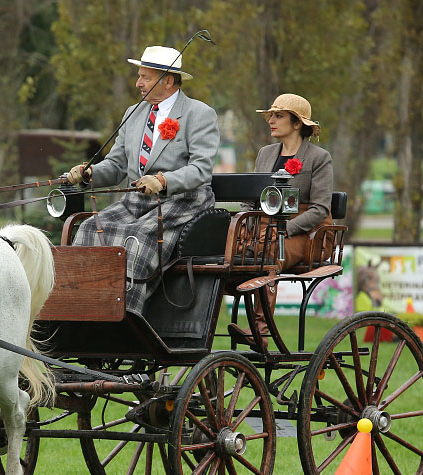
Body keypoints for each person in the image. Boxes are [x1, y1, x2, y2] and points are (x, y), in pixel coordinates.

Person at [66, 45, 219, 315]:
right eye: (139, 76)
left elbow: (201, 169)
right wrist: (90, 173)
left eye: (145, 77)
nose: (138, 83)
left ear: (168, 80)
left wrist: (162, 180)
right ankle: (82, 308)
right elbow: (115, 166)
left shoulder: (199, 114)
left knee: (137, 236)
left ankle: (126, 314)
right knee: (89, 227)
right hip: (137, 200)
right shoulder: (132, 114)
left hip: (183, 199)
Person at [232, 93, 333, 348]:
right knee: (231, 251)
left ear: (297, 123)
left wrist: (285, 229)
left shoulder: (319, 157)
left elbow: (320, 208)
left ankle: (261, 332)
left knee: (269, 252)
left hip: (306, 233)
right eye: (270, 116)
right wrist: (241, 221)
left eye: (278, 116)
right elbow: (251, 197)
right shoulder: (265, 153)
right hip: (265, 227)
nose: (271, 121)